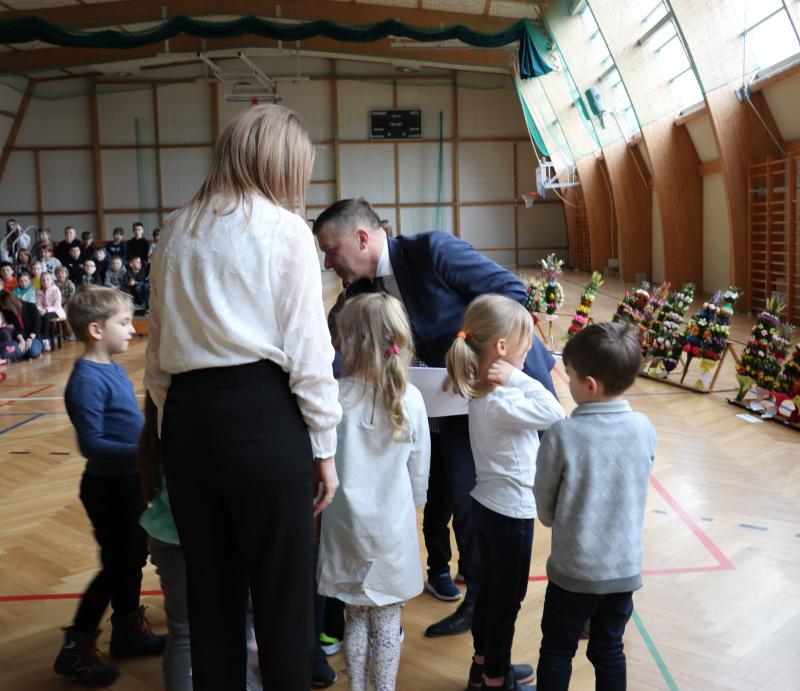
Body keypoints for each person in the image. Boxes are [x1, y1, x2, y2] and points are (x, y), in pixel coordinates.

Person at [142, 104, 342, 691]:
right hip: (262, 414)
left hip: (187, 419)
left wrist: (171, 430)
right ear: (282, 163)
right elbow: (309, 350)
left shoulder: (175, 229)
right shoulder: (284, 229)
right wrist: (325, 446)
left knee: (210, 595)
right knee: (283, 595)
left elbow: (157, 350)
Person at [312, 197, 557, 638]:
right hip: (441, 404)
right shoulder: (360, 291)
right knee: (458, 499)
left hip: (493, 395)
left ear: (362, 238)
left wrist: (472, 361)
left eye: (331, 250)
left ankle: (490, 608)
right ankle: (472, 596)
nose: (328, 262)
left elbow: (513, 294)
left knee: (481, 501)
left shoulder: (431, 251)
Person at [446, 295, 564, 691]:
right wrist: (517, 377)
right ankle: (497, 679)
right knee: (506, 601)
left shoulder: (483, 389)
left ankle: (483, 666)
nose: (529, 351)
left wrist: (512, 377)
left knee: (489, 593)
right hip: (510, 512)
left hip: (488, 504)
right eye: (526, 344)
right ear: (501, 347)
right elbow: (555, 414)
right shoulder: (504, 396)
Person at [533, 322, 657, 690]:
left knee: (557, 648)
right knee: (609, 649)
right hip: (623, 570)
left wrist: (556, 518)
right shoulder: (644, 427)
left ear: (589, 385)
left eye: (569, 375)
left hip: (574, 570)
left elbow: (545, 503)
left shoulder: (563, 433)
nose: (567, 382)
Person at [53, 286, 166, 687]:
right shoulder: (86, 379)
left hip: (130, 482)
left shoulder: (113, 369)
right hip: (109, 488)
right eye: (124, 322)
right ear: (97, 330)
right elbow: (92, 444)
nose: (132, 329)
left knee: (131, 558)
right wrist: (143, 453)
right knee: (116, 566)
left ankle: (128, 629)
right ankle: (75, 647)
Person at [318, 293, 430, 691]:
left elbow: (319, 460)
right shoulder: (411, 398)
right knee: (387, 622)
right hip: (391, 533)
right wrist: (416, 503)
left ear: (347, 341)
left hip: (345, 529)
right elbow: (420, 471)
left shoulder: (333, 397)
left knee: (354, 617)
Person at [0, 289, 44, 359]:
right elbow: (14, 328)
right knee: (15, 351)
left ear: (10, 303)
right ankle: (24, 354)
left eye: (4, 305)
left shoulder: (31, 306)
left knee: (33, 351)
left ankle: (27, 353)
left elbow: (37, 325)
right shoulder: (8, 312)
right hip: (19, 339)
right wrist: (21, 340)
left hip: (33, 337)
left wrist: (30, 338)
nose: (3, 307)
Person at [37, 271, 66, 351]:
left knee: (47, 316)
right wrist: (40, 310)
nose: (45, 281)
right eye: (43, 280)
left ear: (51, 280)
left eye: (48, 279)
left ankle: (45, 339)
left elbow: (57, 305)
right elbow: (38, 304)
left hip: (56, 311)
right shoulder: (39, 292)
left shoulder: (56, 290)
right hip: (44, 312)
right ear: (41, 282)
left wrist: (46, 310)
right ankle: (38, 339)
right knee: (38, 317)